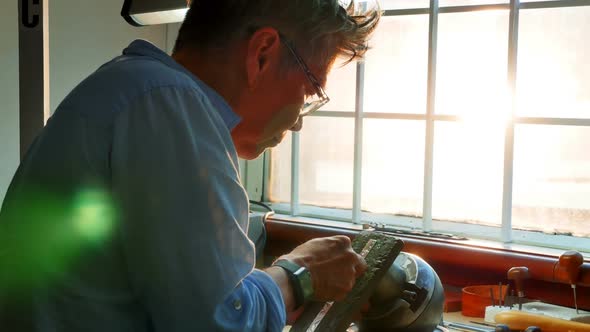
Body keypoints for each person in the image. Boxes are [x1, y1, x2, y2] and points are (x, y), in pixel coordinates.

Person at [0, 0, 381, 331]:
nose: (299, 120)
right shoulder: (170, 107)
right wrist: (300, 274)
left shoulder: (135, 89)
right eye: (311, 90)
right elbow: (218, 324)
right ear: (262, 53)